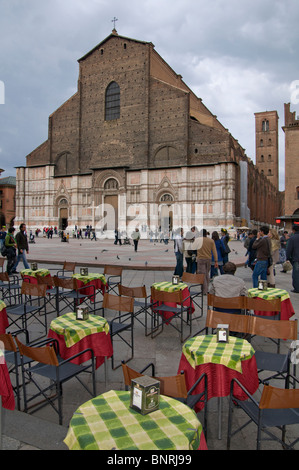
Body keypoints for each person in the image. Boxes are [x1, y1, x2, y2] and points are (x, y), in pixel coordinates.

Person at [193, 228, 218, 294]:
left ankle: (204, 290)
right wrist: (216, 261)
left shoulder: (197, 240)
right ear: (206, 233)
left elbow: (193, 248)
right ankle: (206, 289)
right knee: (207, 273)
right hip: (208, 259)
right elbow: (214, 251)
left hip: (200, 258)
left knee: (202, 274)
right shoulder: (211, 241)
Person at [286, 225, 299, 293]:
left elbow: (289, 249)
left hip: (296, 258)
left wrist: (288, 257)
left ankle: (297, 288)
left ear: (293, 230)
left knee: (296, 274)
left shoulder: (292, 238)